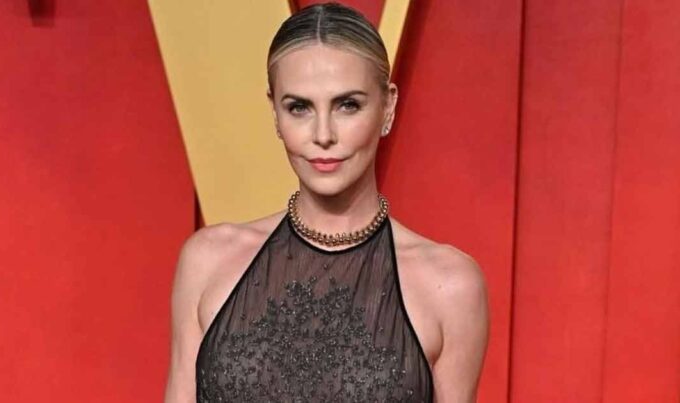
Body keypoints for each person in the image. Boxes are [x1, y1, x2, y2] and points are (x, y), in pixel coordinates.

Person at [164, 3, 489, 402]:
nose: (323, 135)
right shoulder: (208, 262)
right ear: (275, 113)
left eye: (347, 105)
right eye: (299, 107)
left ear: (387, 107)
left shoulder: (449, 286)